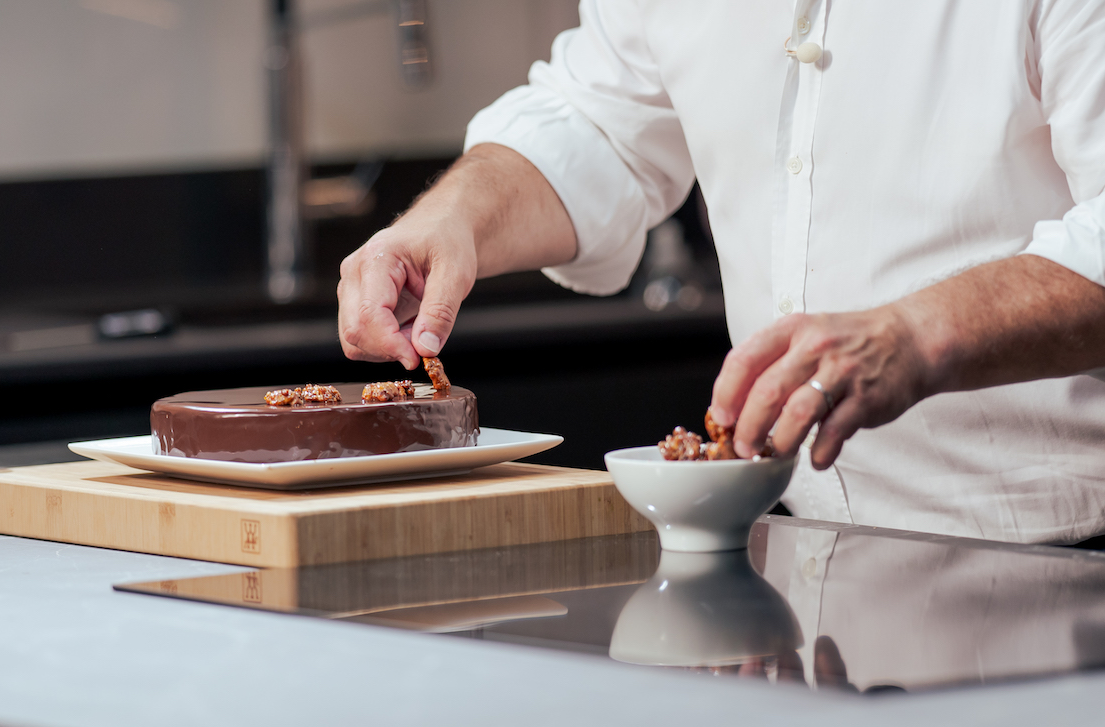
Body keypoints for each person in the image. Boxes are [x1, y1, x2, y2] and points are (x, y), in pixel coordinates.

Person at [336, 0, 1105, 545]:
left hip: (1069, 554)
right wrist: (451, 219)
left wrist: (917, 333)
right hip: (810, 547)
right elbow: (602, 126)